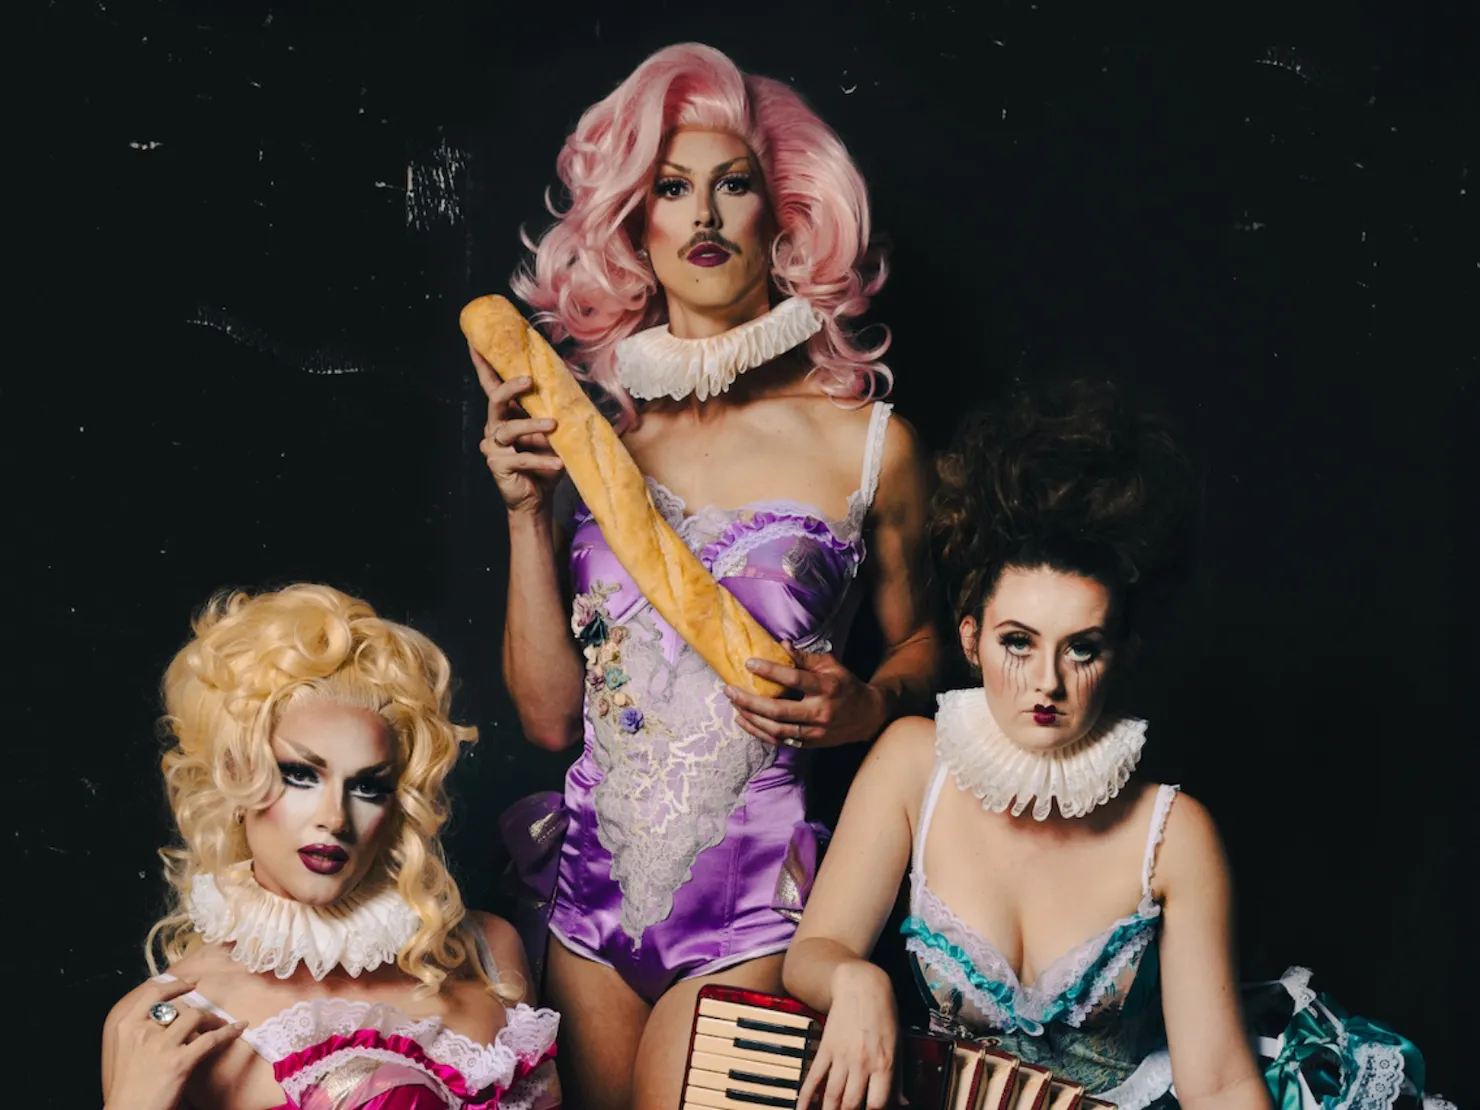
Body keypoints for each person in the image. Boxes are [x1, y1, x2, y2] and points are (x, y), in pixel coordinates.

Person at [473, 41, 940, 1110]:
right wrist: (521, 515)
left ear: (788, 218)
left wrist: (867, 700)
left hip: (752, 919)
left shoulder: (869, 446)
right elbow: (549, 722)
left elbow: (931, 648)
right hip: (587, 912)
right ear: (634, 224)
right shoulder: (590, 442)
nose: (705, 218)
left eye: (735, 186)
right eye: (670, 190)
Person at [782, 382, 1450, 1110]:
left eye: (1082, 649)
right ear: (971, 639)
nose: (1046, 683)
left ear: (1121, 655)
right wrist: (856, 979)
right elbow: (815, 952)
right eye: (1017, 642)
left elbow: (1219, 1083)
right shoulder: (913, 763)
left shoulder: (1174, 835)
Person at [101, 584, 560, 1110]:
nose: (334, 818)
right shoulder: (169, 1017)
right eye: (300, 775)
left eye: (368, 786)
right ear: (236, 776)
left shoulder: (487, 954)